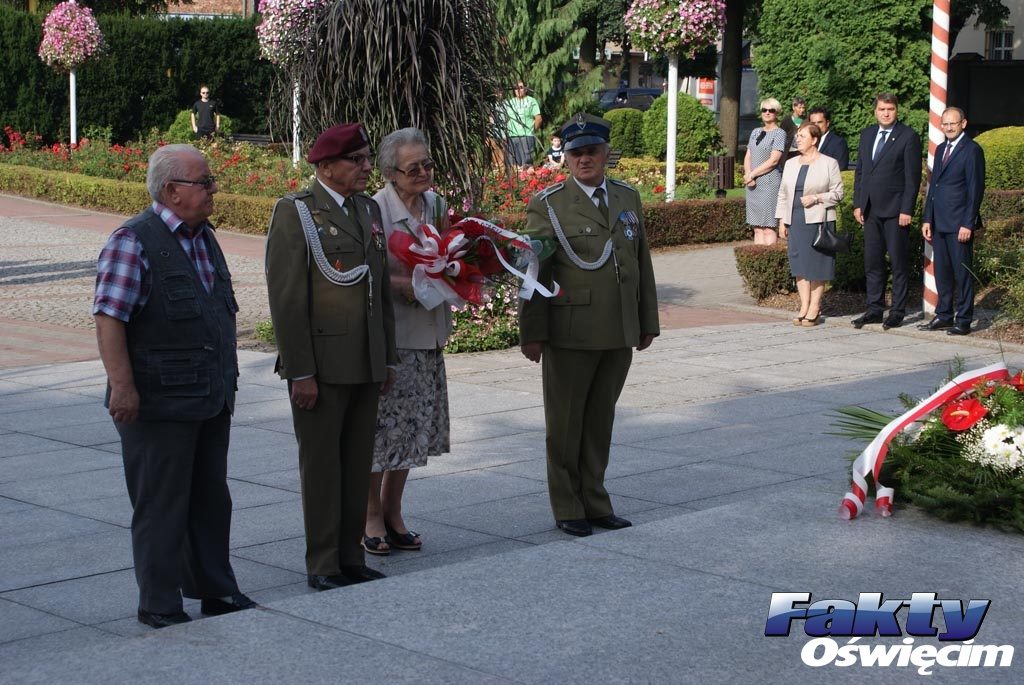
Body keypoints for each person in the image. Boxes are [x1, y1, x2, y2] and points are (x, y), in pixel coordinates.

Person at [92, 144, 254, 629]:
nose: (213, 189)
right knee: (162, 504)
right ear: (171, 190)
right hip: (157, 399)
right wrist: (122, 387)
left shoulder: (203, 236)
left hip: (209, 394)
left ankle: (215, 590)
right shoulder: (133, 240)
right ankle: (159, 602)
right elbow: (110, 318)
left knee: (210, 499)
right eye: (204, 182)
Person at [265, 123, 398, 591]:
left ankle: (350, 555)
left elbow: (377, 289)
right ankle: (323, 563)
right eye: (356, 160)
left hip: (364, 362)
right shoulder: (296, 213)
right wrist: (301, 371)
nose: (366, 167)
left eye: (366, 159)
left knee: (356, 464)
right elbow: (287, 300)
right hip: (321, 366)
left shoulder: (367, 209)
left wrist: (388, 358)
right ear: (325, 166)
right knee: (322, 468)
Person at [519, 113, 660, 538]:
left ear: (605, 153)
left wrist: (646, 320)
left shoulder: (626, 197)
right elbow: (535, 271)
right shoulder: (549, 203)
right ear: (565, 156)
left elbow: (641, 263)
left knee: (600, 422)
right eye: (576, 152)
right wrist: (533, 332)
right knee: (565, 425)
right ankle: (568, 505)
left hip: (617, 328)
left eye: (592, 151)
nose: (584, 159)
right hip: (570, 330)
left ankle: (596, 501)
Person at [363, 128, 452, 555]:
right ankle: (370, 516)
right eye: (413, 167)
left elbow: (451, 252)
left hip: (430, 332)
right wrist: (403, 281)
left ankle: (394, 510)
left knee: (414, 431)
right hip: (396, 337)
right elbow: (370, 275)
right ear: (390, 172)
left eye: (427, 163)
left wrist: (459, 273)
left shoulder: (436, 204)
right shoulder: (376, 210)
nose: (423, 172)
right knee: (383, 434)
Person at [852, 93, 923, 330]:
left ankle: (897, 312)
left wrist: (907, 209)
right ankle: (874, 308)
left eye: (890, 109)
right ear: (875, 111)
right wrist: (858, 203)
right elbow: (861, 172)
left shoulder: (908, 136)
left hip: (895, 211)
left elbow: (912, 179)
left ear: (897, 111)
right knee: (872, 262)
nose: (886, 113)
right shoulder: (867, 134)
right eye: (882, 109)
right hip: (870, 209)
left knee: (898, 262)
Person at [919, 107, 985, 336]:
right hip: (939, 222)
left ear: (963, 124)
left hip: (959, 224)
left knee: (962, 273)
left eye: (952, 124)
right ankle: (944, 314)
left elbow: (975, 189)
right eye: (944, 124)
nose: (948, 128)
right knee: (943, 273)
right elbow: (933, 186)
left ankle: (964, 319)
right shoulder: (940, 149)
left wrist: (969, 223)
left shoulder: (972, 150)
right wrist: (928, 218)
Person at [776, 123, 845, 327]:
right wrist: (782, 220)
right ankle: (804, 306)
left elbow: (838, 193)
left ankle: (815, 307)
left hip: (818, 221)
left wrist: (816, 198)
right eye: (797, 136)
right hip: (794, 220)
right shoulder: (790, 163)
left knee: (817, 265)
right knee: (799, 265)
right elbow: (782, 194)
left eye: (802, 136)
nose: (798, 139)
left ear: (814, 140)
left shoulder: (828, 163)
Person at [743, 98, 787, 245]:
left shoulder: (779, 133)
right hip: (752, 185)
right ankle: (757, 262)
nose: (767, 113)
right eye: (764, 110)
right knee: (757, 228)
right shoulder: (755, 132)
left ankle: (768, 261)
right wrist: (748, 174)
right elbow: (748, 155)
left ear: (777, 113)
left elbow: (774, 160)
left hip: (769, 184)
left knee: (768, 228)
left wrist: (753, 174)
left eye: (771, 110)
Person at [503, 80, 542, 170]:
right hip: (512, 137)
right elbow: (506, 119)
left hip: (526, 136)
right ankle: (519, 183)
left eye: (520, 87)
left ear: (525, 89)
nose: (518, 90)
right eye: (516, 88)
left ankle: (529, 182)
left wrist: (531, 130)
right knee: (514, 166)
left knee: (527, 165)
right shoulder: (510, 102)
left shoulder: (531, 101)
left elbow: (538, 118)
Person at [808, 106, 849, 172]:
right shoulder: (806, 141)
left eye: (819, 122)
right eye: (813, 123)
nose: (816, 126)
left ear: (827, 123)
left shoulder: (838, 143)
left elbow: (840, 169)